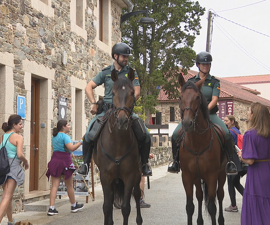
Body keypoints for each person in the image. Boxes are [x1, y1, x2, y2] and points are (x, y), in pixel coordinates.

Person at [77, 42, 152, 176]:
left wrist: (127, 105)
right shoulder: (106, 73)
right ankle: (85, 164)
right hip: (106, 110)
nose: (126, 59)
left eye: (127, 57)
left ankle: (145, 164)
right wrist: (94, 103)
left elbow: (137, 92)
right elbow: (89, 87)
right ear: (115, 56)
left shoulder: (131, 72)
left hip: (126, 111)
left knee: (145, 134)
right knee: (89, 134)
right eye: (124, 56)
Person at [168, 51, 237, 175]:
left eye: (208, 64)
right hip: (192, 115)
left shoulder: (214, 82)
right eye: (203, 64)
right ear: (198, 65)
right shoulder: (191, 81)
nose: (205, 66)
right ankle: (175, 161)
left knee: (226, 133)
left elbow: (215, 99)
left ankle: (230, 162)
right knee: (175, 134)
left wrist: (204, 109)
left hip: (210, 114)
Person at [237, 102, 270, 225]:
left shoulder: (249, 134)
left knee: (255, 202)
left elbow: (250, 161)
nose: (247, 113)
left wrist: (242, 157)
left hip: (257, 173)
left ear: (254, 115)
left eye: (249, 111)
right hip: (269, 170)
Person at [0, 114, 29, 225]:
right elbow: (19, 154)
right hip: (12, 168)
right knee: (7, 196)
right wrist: (26, 161)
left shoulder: (2, 137)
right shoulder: (18, 137)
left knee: (8, 195)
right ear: (14, 125)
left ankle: (10, 221)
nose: (22, 126)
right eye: (20, 124)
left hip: (1, 168)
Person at [46, 120, 84, 216]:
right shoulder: (65, 136)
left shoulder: (54, 136)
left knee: (54, 185)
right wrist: (81, 142)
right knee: (69, 185)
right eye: (68, 125)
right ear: (63, 126)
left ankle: (51, 208)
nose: (69, 126)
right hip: (65, 161)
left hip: (55, 160)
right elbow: (71, 148)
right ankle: (73, 205)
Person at [223, 115, 246, 212]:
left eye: (227, 120)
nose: (225, 122)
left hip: (234, 162)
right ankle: (249, 200)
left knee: (231, 183)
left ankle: (233, 206)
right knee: (236, 183)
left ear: (232, 121)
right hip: (240, 162)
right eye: (224, 120)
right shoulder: (237, 130)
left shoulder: (230, 133)